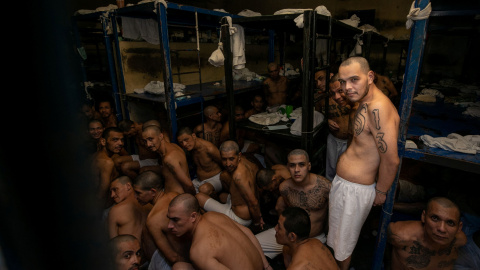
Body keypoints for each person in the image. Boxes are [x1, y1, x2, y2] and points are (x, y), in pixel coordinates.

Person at [327, 56, 400, 270]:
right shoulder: (366, 102)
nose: (347, 87)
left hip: (355, 190)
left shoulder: (378, 108)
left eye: (354, 80)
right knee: (339, 241)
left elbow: (391, 159)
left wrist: (381, 191)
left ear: (370, 76)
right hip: (347, 186)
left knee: (343, 247)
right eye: (343, 81)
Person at [256, 149, 331, 259]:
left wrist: (330, 241)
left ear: (309, 166)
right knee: (251, 243)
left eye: (301, 165)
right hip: (289, 236)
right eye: (292, 165)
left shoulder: (325, 187)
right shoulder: (284, 188)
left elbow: (334, 216)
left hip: (314, 238)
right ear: (287, 167)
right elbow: (289, 211)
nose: (297, 170)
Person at [167, 193, 272, 270]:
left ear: (193, 216)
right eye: (169, 219)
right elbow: (247, 232)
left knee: (179, 268)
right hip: (260, 267)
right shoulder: (213, 215)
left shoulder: (198, 252)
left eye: (175, 220)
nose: (169, 225)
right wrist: (266, 265)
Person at [195, 140, 263, 230]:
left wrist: (257, 222)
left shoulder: (238, 176)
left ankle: (212, 225)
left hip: (239, 218)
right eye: (224, 159)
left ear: (239, 156)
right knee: (222, 196)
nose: (227, 164)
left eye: (231, 159)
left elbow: (253, 202)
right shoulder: (245, 162)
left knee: (198, 197)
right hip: (238, 205)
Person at [388, 197, 467, 270]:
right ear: (423, 217)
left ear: (459, 227)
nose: (442, 229)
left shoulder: (460, 241)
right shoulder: (401, 236)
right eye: (435, 218)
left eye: (450, 223)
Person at [132, 171, 186, 269]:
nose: (135, 197)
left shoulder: (153, 219)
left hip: (180, 261)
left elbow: (173, 258)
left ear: (153, 192)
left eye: (138, 193)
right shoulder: (174, 195)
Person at [320, 73, 357, 181]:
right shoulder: (324, 99)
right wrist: (327, 120)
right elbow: (318, 114)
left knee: (346, 172)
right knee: (331, 168)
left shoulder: (357, 105)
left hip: (350, 142)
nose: (336, 96)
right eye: (333, 93)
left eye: (340, 91)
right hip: (334, 138)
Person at [142, 124, 195, 195]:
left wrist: (193, 201)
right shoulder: (172, 146)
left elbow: (189, 185)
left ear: (161, 136)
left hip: (177, 198)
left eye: (151, 139)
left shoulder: (169, 158)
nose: (148, 144)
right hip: (171, 195)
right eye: (145, 141)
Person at [107, 176, 152, 258]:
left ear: (128, 186)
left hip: (128, 259)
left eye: (115, 189)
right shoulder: (150, 206)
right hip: (147, 259)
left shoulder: (115, 210)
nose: (112, 195)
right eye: (111, 192)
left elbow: (113, 245)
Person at [176, 126, 223, 196]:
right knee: (180, 192)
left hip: (215, 178)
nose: (184, 144)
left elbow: (224, 164)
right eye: (181, 142)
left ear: (193, 135)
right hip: (199, 181)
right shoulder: (190, 150)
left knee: (204, 190)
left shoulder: (209, 148)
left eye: (186, 140)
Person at [91, 127, 126, 212]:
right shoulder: (107, 162)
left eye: (122, 140)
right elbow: (101, 193)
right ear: (103, 141)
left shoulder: (96, 156)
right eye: (115, 140)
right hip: (103, 209)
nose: (120, 143)